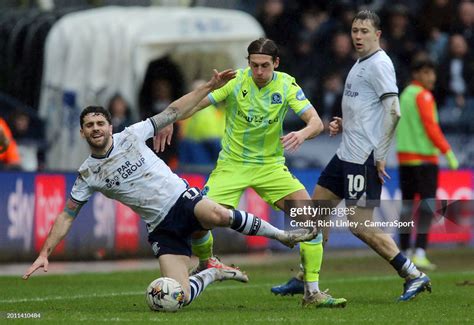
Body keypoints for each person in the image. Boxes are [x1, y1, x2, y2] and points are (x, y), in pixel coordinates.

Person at [22, 70, 317, 310]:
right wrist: (45, 253)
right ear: (83, 132)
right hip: (161, 228)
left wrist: (209, 87)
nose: (96, 128)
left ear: (110, 126)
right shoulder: (87, 174)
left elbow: (175, 110)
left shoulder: (132, 135)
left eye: (100, 122)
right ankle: (212, 271)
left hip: (181, 201)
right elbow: (66, 215)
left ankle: (283, 236)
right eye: (89, 125)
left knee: (217, 213)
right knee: (177, 297)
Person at [155, 38, 347, 308]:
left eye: (265, 66)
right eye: (254, 65)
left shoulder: (286, 84)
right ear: (248, 63)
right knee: (199, 222)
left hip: (270, 167)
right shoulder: (235, 81)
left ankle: (312, 292)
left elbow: (315, 122)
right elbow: (197, 103)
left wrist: (302, 134)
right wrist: (168, 118)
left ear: (276, 64)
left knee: (311, 219)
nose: (259, 71)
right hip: (232, 165)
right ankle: (208, 260)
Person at [272, 10, 432, 303]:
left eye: (364, 31)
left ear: (378, 35)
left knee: (359, 224)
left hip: (363, 158)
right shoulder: (361, 62)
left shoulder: (380, 64)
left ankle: (413, 273)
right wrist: (345, 124)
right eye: (355, 31)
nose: (357, 36)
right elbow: (369, 109)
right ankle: (305, 279)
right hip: (345, 153)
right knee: (316, 213)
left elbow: (394, 112)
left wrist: (380, 154)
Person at [396, 57, 459, 271]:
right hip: (424, 159)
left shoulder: (404, 95)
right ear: (417, 75)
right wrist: (447, 151)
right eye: (426, 73)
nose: (431, 77)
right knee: (425, 206)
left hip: (405, 159)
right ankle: (420, 251)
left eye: (432, 73)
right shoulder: (423, 96)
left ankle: (404, 251)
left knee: (406, 206)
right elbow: (431, 127)